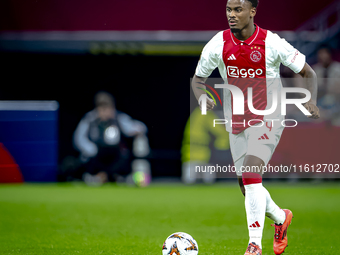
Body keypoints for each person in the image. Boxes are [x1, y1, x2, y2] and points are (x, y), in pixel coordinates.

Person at [191, 0, 320, 254]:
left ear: (252, 12)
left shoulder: (272, 43)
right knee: (246, 184)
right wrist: (200, 95)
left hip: (268, 118)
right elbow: (198, 79)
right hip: (236, 121)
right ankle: (281, 218)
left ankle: (254, 245)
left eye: (238, 9)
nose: (232, 15)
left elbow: (309, 73)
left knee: (250, 174)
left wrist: (312, 101)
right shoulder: (218, 44)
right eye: (228, 9)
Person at [73, 91, 149, 185]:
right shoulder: (89, 119)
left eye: (108, 108)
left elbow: (140, 127)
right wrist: (92, 149)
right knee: (88, 159)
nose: (105, 112)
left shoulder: (118, 118)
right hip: (97, 156)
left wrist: (136, 131)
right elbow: (79, 139)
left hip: (114, 157)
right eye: (102, 108)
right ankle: (97, 176)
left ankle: (116, 176)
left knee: (123, 154)